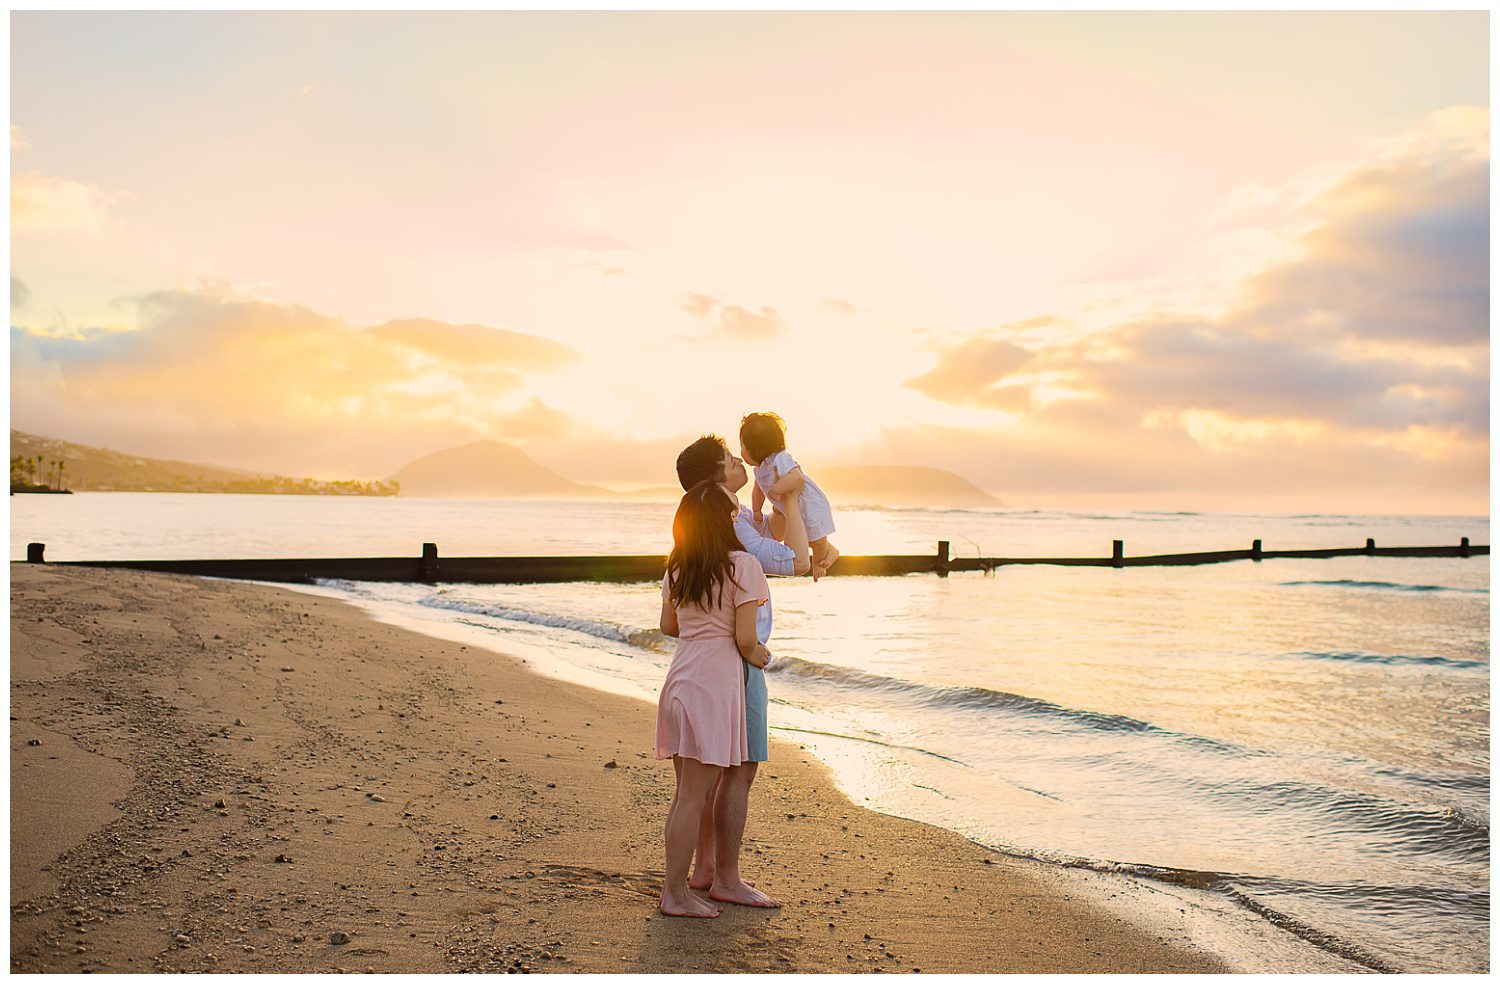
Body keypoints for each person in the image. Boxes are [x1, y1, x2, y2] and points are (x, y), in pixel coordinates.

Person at [669, 435, 811, 909]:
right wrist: (790, 494)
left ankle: (704, 869)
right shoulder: (740, 554)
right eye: (729, 461)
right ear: (717, 490)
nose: (738, 463)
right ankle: (723, 877)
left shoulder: (684, 557)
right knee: (737, 770)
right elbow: (795, 561)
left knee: (695, 783)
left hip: (684, 671)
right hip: (727, 670)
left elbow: (670, 624)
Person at [656, 480, 772, 918]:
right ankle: (675, 894)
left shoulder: (678, 566)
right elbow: (745, 638)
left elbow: (670, 626)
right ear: (725, 521)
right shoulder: (744, 566)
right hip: (712, 685)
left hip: (680, 679)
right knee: (692, 796)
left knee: (686, 794)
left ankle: (677, 889)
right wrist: (758, 653)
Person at [739, 411, 839, 576]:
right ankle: (830, 549)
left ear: (756, 449)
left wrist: (777, 489)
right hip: (792, 508)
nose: (740, 451)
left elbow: (797, 477)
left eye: (742, 446)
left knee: (817, 540)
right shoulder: (759, 470)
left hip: (809, 504)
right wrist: (756, 509)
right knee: (805, 536)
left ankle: (820, 563)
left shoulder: (780, 459)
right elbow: (757, 490)